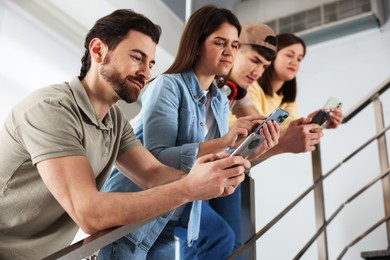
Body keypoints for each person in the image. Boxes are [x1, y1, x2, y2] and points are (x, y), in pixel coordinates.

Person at [0, 9, 250, 260]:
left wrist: (212, 178)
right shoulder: (51, 109)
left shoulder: (114, 120)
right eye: (137, 57)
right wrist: (189, 188)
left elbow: (153, 173)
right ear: (98, 51)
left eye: (150, 64)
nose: (146, 72)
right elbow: (90, 214)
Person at [98, 5, 280, 260]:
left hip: (171, 212)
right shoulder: (167, 86)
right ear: (197, 43)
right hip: (135, 207)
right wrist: (225, 140)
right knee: (221, 238)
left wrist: (250, 151)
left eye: (235, 45)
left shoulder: (217, 99)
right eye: (220, 42)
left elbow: (211, 159)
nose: (229, 52)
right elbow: (156, 157)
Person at [230, 33, 343, 159]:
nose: (294, 62)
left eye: (299, 59)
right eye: (289, 55)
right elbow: (261, 129)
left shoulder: (286, 99)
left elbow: (286, 128)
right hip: (228, 146)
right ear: (272, 56)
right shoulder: (250, 86)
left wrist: (313, 122)